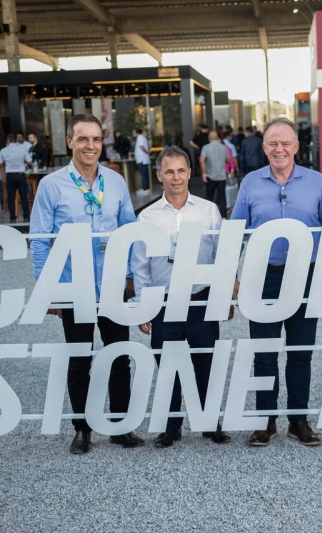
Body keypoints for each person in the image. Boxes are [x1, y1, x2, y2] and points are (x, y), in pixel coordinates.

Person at [231, 117, 322, 447]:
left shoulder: (316, 182)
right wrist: (230, 275)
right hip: (263, 278)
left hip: (306, 277)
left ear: (297, 147)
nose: (279, 149)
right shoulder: (250, 184)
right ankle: (264, 422)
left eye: (285, 143)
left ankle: (299, 421)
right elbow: (235, 231)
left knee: (301, 352)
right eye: (272, 143)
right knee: (264, 353)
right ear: (264, 147)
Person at [30, 114, 140, 454]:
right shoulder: (51, 185)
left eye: (95, 139)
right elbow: (38, 241)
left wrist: (132, 278)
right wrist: (46, 289)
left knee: (119, 357)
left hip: (111, 287)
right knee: (80, 360)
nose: (90, 145)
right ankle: (82, 429)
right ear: (70, 142)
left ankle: (120, 427)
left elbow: (131, 233)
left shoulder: (116, 182)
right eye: (83, 139)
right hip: (73, 287)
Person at [132, 145, 231, 448]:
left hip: (200, 300)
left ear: (190, 173)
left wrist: (224, 296)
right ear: (159, 175)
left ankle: (209, 422)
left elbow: (221, 257)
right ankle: (170, 427)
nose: (176, 177)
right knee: (168, 367)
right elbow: (140, 264)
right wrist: (143, 307)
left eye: (181, 170)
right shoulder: (147, 217)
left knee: (206, 364)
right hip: (163, 304)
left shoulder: (208, 211)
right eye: (170, 171)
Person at [0, 133, 32, 223]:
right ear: (15, 140)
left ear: (8, 141)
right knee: (24, 196)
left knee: (11, 197)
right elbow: (30, 162)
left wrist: (7, 164)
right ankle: (26, 216)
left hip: (10, 175)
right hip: (21, 175)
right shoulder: (21, 150)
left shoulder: (3, 151)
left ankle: (13, 217)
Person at [200, 131, 229, 216]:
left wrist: (204, 173)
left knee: (209, 197)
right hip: (222, 176)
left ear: (209, 138)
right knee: (222, 196)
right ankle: (223, 216)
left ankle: (208, 215)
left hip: (210, 176)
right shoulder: (224, 147)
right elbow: (228, 160)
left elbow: (202, 160)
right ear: (217, 138)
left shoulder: (206, 147)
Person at [133, 128, 151, 194]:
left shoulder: (139, 138)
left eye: (134, 132)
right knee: (145, 173)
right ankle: (146, 187)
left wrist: (147, 152)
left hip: (142, 159)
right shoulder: (143, 138)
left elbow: (141, 146)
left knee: (143, 174)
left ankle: (144, 188)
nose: (133, 134)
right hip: (143, 159)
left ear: (137, 132)